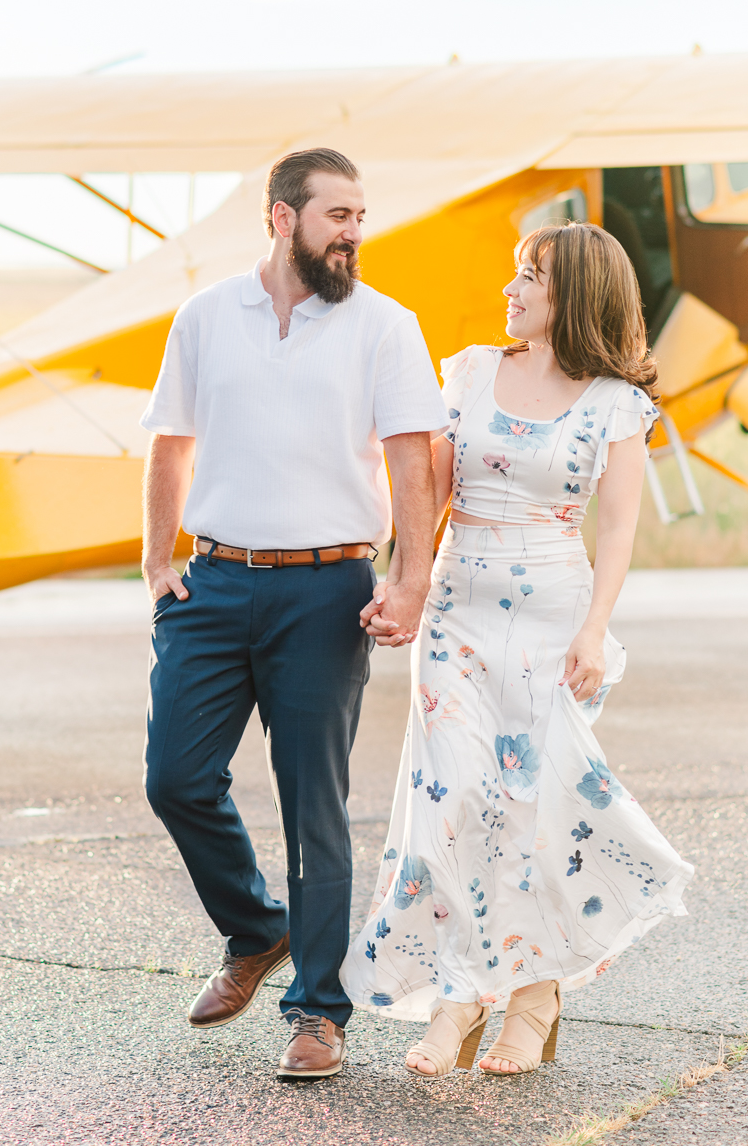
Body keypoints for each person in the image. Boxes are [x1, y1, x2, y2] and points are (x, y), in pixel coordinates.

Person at [341, 221, 693, 1077]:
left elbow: (617, 531)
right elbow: (433, 487)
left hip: (554, 617)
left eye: (529, 276)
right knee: (450, 797)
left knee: (531, 816)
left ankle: (533, 1001)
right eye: (515, 272)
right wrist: (405, 580)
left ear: (571, 293)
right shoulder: (468, 371)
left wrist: (594, 629)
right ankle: (459, 999)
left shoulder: (617, 403)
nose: (511, 288)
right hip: (458, 609)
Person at [139, 146, 447, 1079]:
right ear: (282, 218)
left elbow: (412, 461)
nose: (355, 233)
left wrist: (410, 577)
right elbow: (169, 444)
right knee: (175, 778)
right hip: (215, 581)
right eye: (337, 216)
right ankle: (255, 929)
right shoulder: (204, 317)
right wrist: (158, 562)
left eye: (360, 216)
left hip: (327, 591)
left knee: (315, 807)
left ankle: (319, 1012)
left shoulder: (385, 327)